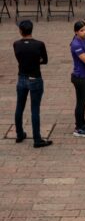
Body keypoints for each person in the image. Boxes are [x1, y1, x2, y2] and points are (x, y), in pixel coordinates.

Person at [13, 20, 52, 148]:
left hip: (22, 78)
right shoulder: (39, 44)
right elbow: (44, 60)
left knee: (19, 107)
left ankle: (19, 133)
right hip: (35, 78)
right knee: (35, 110)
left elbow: (19, 58)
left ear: (21, 31)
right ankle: (37, 138)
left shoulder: (16, 44)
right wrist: (36, 60)